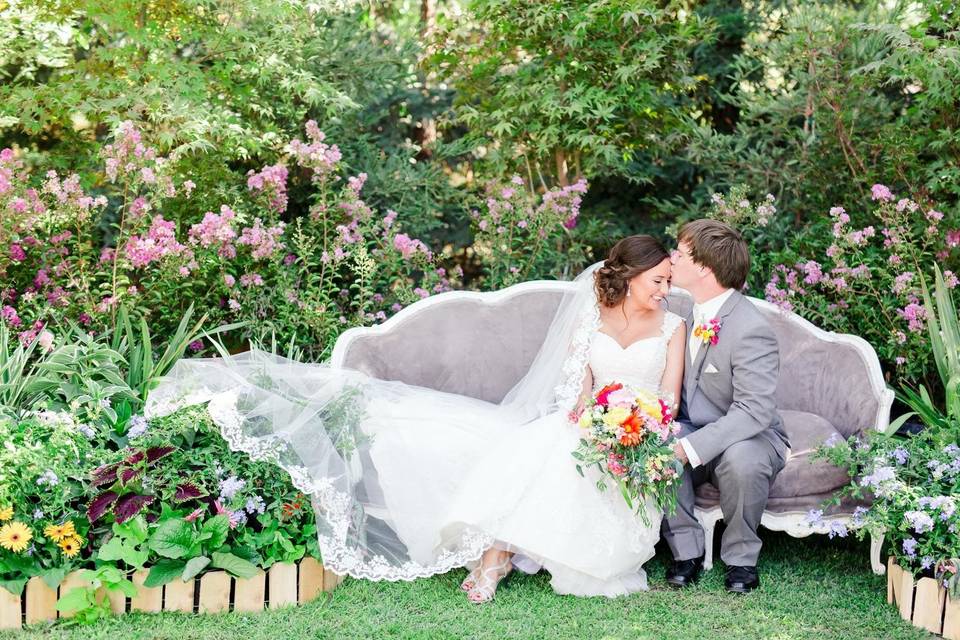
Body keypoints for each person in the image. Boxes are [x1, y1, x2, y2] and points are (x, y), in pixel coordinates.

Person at [146, 235, 686, 602]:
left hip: (639, 437)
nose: (664, 290)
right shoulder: (593, 315)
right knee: (546, 445)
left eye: (668, 282)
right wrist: (588, 417)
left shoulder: (672, 327)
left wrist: (635, 431)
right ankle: (493, 559)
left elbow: (669, 397)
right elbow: (581, 387)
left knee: (554, 455)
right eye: (658, 280)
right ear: (631, 276)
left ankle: (502, 554)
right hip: (593, 424)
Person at [661, 219, 790, 594]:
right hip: (697, 427)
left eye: (679, 253)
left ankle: (741, 560)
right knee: (656, 444)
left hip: (750, 435)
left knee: (741, 459)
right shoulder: (689, 316)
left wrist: (689, 447)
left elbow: (754, 411)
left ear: (703, 267)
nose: (672, 258)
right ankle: (685, 551)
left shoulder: (751, 328)